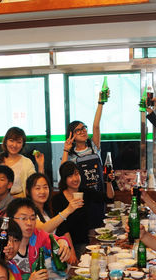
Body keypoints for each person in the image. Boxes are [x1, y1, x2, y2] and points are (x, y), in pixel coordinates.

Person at [62, 91, 116, 230]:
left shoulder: (94, 147)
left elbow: (96, 126)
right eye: (78, 130)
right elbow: (63, 171)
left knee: (100, 227)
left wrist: (100, 103)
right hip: (82, 199)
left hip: (99, 195)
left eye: (83, 128)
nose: (83, 131)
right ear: (71, 135)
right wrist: (66, 150)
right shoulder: (72, 156)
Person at [5, 199, 72, 280]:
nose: (29, 223)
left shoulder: (37, 236)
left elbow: (55, 240)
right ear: (10, 219)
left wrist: (63, 243)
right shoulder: (4, 246)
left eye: (32, 218)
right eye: (23, 218)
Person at [52, 161, 95, 256]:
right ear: (64, 179)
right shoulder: (57, 199)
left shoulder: (85, 192)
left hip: (85, 242)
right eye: (70, 176)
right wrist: (71, 251)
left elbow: (109, 197)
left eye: (76, 174)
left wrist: (108, 181)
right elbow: (62, 228)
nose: (75, 179)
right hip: (66, 244)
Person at [26, 172, 80, 241]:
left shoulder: (47, 211)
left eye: (45, 187)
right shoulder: (28, 212)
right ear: (28, 191)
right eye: (38, 188)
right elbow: (42, 230)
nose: (42, 192)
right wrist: (68, 210)